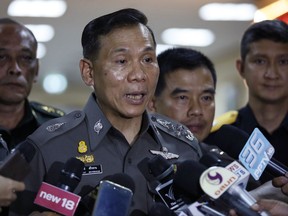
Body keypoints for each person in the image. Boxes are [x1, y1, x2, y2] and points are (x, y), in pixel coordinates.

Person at [10, 8, 202, 215]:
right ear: (88, 73)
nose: (139, 75)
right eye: (122, 61)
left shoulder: (184, 145)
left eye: (147, 60)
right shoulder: (48, 148)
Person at [212, 19, 288, 170]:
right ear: (241, 68)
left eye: (283, 62)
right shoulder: (219, 137)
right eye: (260, 61)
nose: (272, 73)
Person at [0, 18, 65, 156]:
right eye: (2, 57)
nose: (15, 69)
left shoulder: (59, 129)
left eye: (26, 58)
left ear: (36, 71)